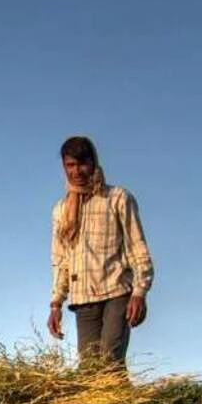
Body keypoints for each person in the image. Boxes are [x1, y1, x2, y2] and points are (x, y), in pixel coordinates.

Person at [46, 136, 155, 368]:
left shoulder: (118, 198)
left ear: (93, 162)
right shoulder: (61, 210)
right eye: (70, 165)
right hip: (83, 298)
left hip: (117, 291)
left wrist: (139, 292)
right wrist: (56, 304)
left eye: (82, 163)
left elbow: (137, 247)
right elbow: (60, 260)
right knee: (90, 370)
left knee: (110, 360)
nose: (77, 172)